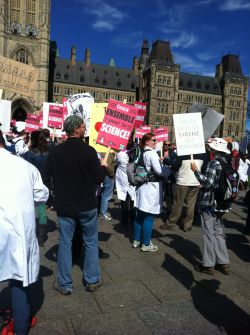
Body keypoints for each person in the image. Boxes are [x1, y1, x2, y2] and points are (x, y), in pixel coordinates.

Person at [43, 115, 108, 295]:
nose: (85, 127)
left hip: (65, 206)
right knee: (90, 242)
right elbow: (98, 178)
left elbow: (44, 177)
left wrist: (50, 200)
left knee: (65, 243)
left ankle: (65, 284)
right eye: (82, 125)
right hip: (87, 205)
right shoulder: (89, 151)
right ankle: (92, 279)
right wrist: (103, 166)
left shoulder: (55, 152)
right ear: (76, 129)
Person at [0, 133, 49, 335]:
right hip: (18, 232)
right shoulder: (25, 166)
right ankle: (20, 329)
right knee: (20, 280)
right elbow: (42, 194)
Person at [191, 137, 231, 275]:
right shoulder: (227, 162)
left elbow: (207, 183)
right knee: (218, 232)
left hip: (210, 203)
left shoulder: (214, 163)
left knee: (208, 233)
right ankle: (223, 262)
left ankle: (208, 265)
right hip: (223, 204)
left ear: (215, 149)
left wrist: (196, 171)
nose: (210, 150)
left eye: (211, 148)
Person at [133, 133, 170, 252]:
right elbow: (159, 171)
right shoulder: (152, 154)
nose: (155, 142)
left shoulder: (141, 153)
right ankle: (146, 244)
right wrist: (168, 170)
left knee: (140, 216)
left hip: (141, 186)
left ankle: (136, 240)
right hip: (150, 188)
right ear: (146, 142)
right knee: (149, 217)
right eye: (153, 140)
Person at [160, 153, 204, 232]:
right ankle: (187, 225)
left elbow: (175, 166)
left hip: (183, 182)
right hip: (196, 182)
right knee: (191, 205)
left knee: (177, 204)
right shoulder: (201, 153)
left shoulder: (183, 153)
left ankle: (170, 223)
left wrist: (165, 160)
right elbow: (204, 168)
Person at [24, 130, 50, 247]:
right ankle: (41, 236)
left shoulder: (29, 154)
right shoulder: (48, 153)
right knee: (42, 211)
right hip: (43, 185)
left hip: (30, 185)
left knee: (27, 211)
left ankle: (28, 234)